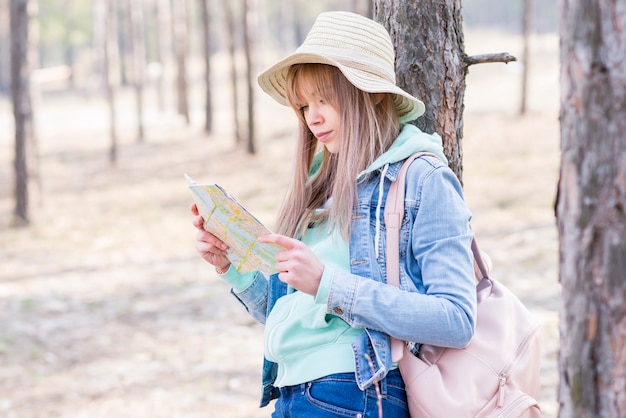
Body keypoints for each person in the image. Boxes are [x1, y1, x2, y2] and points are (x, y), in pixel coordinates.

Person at [190, 11, 477, 418]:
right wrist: (230, 266)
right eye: (304, 105)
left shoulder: (423, 179)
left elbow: (457, 318)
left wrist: (329, 284)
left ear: (372, 93)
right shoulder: (320, 183)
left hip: (353, 391)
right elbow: (289, 311)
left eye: (325, 98)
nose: (313, 117)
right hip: (291, 393)